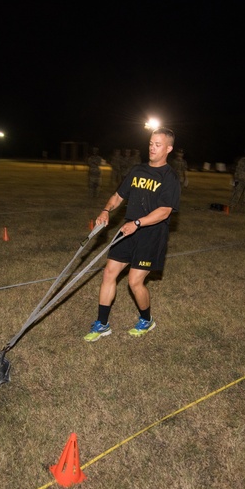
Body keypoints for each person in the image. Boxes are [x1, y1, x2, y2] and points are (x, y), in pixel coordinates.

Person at [84, 127, 181, 342]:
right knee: (109, 272)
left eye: (157, 145)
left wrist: (138, 223)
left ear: (168, 148)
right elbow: (118, 196)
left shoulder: (170, 178)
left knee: (135, 282)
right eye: (150, 143)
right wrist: (106, 210)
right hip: (128, 230)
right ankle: (102, 324)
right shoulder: (137, 170)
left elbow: (164, 211)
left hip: (151, 234)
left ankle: (147, 320)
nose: (152, 148)